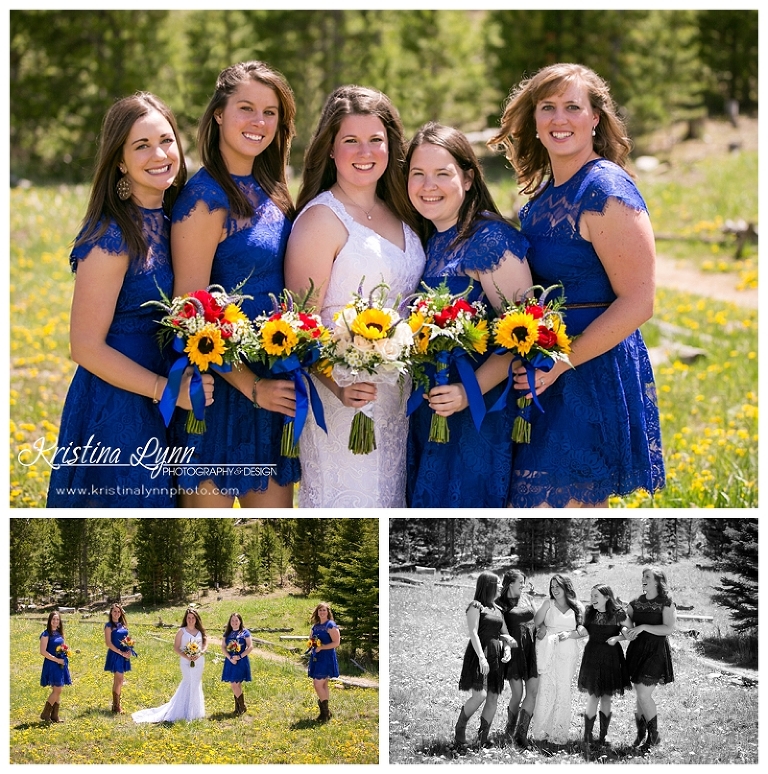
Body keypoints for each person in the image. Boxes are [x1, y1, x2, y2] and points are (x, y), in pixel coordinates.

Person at [487, 62, 665, 508]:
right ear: (534, 119)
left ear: (595, 118)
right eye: (547, 107)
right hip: (544, 371)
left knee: (566, 511)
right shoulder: (541, 198)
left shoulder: (605, 188)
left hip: (589, 371)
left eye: (572, 107)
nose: (559, 119)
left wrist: (561, 363)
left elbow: (639, 301)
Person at [46, 92, 212, 508]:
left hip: (168, 398)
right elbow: (84, 346)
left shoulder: (175, 223)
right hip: (117, 405)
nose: (159, 154)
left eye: (166, 140)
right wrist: (164, 389)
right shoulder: (112, 236)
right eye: (142, 146)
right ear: (120, 161)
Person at [284, 85, 426, 507]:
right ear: (330, 148)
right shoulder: (320, 219)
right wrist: (339, 385)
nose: (365, 152)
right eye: (350, 140)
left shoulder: (404, 211)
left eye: (375, 140)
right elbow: (298, 328)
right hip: (344, 400)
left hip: (399, 401)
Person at [170, 60, 300, 507]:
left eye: (270, 112)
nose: (259, 122)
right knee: (206, 538)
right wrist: (252, 387)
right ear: (219, 114)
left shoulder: (273, 187)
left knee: (275, 535)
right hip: (219, 392)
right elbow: (187, 312)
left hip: (273, 381)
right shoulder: (204, 198)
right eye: (246, 108)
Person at [403, 122, 532, 508]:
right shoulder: (429, 239)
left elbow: (525, 338)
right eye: (418, 174)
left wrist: (466, 392)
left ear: (469, 178)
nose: (428, 185)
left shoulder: (490, 240)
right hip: (432, 409)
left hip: (479, 414)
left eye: (442, 174)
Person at [455, 571, 515, 748]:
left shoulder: (498, 610)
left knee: (493, 696)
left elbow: (505, 634)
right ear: (489, 585)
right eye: (498, 583)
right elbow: (473, 632)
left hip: (496, 655)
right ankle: (460, 728)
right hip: (479, 653)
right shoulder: (476, 606)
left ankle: (482, 739)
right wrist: (482, 658)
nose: (501, 586)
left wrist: (507, 648)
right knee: (480, 694)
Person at [530, 574, 586, 745]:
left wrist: (570, 634)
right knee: (546, 688)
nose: (554, 590)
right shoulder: (548, 603)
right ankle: (542, 731)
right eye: (552, 586)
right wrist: (543, 626)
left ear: (566, 587)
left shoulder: (577, 606)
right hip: (548, 649)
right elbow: (536, 622)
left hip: (568, 651)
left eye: (557, 586)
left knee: (563, 689)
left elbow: (584, 630)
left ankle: (559, 732)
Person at [624, 567, 676, 749]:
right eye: (643, 576)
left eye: (647, 576)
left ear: (657, 582)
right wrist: (626, 631)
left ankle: (654, 737)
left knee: (644, 695)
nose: (643, 579)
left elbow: (668, 628)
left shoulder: (666, 602)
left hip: (656, 652)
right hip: (636, 651)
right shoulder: (635, 602)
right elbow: (625, 623)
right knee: (640, 695)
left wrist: (643, 626)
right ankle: (644, 734)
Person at [577, 584, 631, 747]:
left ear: (607, 597)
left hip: (610, 657)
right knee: (593, 696)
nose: (592, 599)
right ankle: (587, 735)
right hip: (592, 656)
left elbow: (631, 632)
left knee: (606, 696)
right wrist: (580, 627)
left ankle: (603, 736)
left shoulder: (618, 613)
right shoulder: (589, 612)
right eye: (591, 595)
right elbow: (582, 626)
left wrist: (617, 638)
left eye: (596, 596)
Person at [132, 608, 207, 723]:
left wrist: (200, 653)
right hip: (186, 660)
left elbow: (205, 643)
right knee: (188, 682)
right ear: (186, 619)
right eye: (189, 618)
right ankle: (181, 711)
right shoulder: (182, 631)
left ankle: (195, 712)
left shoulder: (200, 631)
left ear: (196, 619)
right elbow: (176, 648)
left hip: (198, 661)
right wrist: (187, 656)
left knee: (196, 683)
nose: (191, 620)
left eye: (193, 618)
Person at [496, 570, 538, 748]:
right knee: (518, 694)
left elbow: (536, 617)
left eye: (524, 582)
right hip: (514, 651)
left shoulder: (527, 598)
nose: (523, 585)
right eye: (520, 582)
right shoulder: (500, 603)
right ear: (510, 583)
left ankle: (521, 735)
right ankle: (510, 728)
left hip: (531, 649)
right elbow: (497, 628)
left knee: (533, 692)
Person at [307, 602, 340, 722]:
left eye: (324, 610)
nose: (322, 612)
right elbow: (311, 639)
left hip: (326, 657)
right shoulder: (315, 626)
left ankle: (325, 712)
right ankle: (325, 713)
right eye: (320, 610)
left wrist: (322, 647)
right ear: (317, 612)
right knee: (323, 684)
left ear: (328, 612)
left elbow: (336, 643)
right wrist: (312, 644)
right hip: (317, 657)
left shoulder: (330, 625)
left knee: (317, 684)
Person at [39, 611, 71, 723]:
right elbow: (43, 652)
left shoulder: (59, 633)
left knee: (58, 689)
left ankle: (55, 716)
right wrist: (57, 660)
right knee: (57, 689)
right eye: (53, 619)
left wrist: (65, 651)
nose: (55, 621)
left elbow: (61, 646)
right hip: (52, 664)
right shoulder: (46, 634)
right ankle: (45, 714)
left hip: (60, 664)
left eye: (57, 619)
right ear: (50, 620)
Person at [104, 602, 136, 715]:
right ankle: (117, 706)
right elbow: (108, 643)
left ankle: (115, 705)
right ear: (111, 613)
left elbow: (126, 639)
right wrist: (121, 653)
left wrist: (129, 649)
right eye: (114, 611)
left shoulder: (123, 625)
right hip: (115, 654)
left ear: (121, 613)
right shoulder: (109, 626)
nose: (117, 613)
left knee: (120, 680)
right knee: (119, 679)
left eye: (119, 611)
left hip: (124, 655)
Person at [220, 612, 253, 716]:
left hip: (241, 661)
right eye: (232, 620)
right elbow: (223, 647)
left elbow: (250, 647)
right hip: (230, 662)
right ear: (230, 622)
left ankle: (242, 707)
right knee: (236, 684)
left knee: (235, 684)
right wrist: (230, 658)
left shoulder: (245, 632)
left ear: (240, 621)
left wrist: (239, 656)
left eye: (236, 620)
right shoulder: (227, 633)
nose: (234, 622)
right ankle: (238, 708)